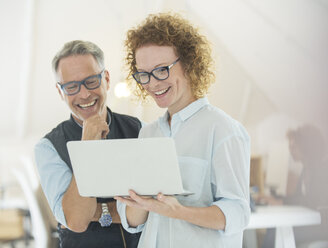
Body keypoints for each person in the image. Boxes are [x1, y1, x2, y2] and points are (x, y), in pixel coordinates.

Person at [115, 13, 251, 247]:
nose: (153, 84)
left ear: (188, 63)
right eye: (144, 75)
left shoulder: (223, 129)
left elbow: (238, 213)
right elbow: (132, 222)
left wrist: (178, 210)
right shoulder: (147, 134)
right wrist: (138, 200)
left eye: (161, 70)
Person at [34, 40, 142, 248]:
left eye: (91, 81)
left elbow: (157, 205)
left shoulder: (140, 129)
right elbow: (76, 220)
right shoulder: (48, 148)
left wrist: (99, 211)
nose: (84, 94)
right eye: (71, 87)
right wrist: (87, 147)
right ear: (60, 92)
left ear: (107, 79)